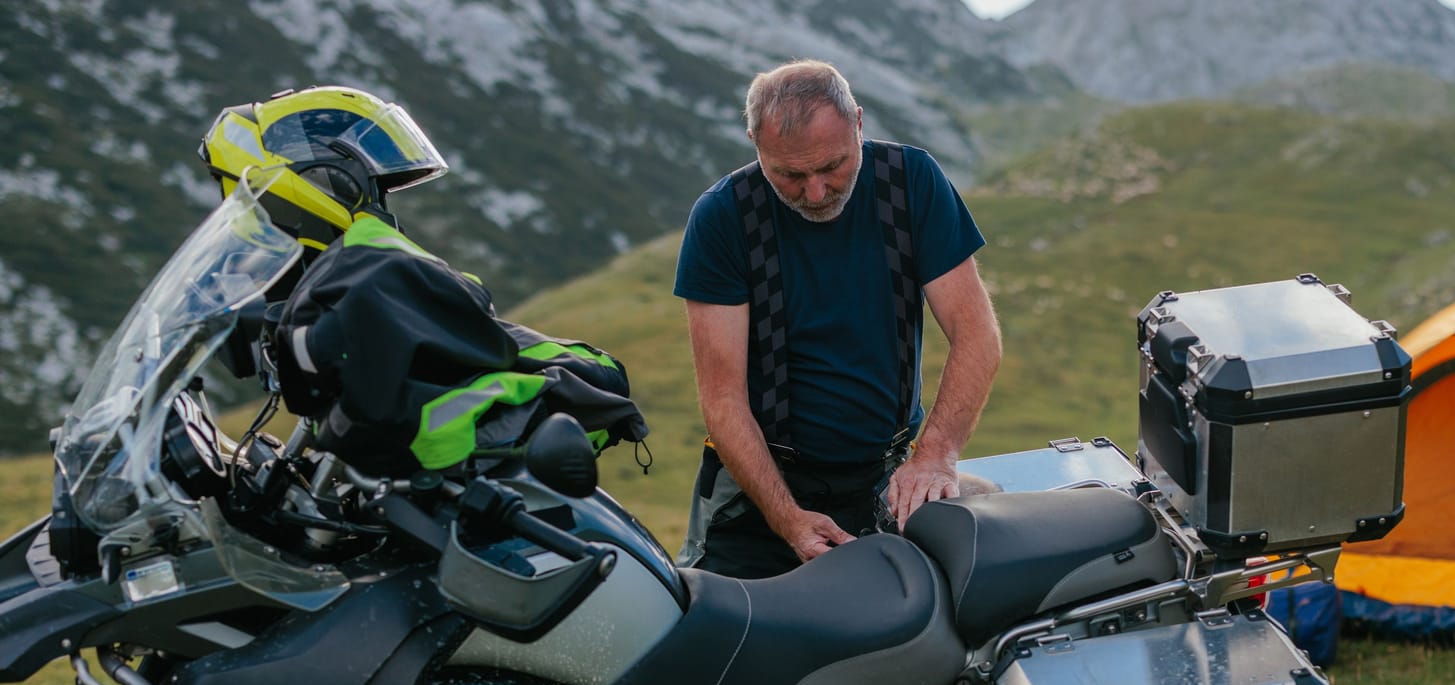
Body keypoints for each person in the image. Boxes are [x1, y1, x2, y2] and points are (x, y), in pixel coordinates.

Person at [198, 85, 646, 474]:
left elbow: (586, 368)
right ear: (327, 182)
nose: (380, 211)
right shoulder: (342, 288)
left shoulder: (382, 287)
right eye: (376, 192)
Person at [673, 59, 1002, 578]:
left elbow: (976, 332)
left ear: (859, 124)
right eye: (790, 174)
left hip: (890, 474)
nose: (817, 193)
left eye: (832, 166)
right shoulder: (721, 218)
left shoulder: (912, 182)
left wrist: (935, 454)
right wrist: (787, 519)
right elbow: (722, 399)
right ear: (755, 142)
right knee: (714, 630)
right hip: (761, 491)